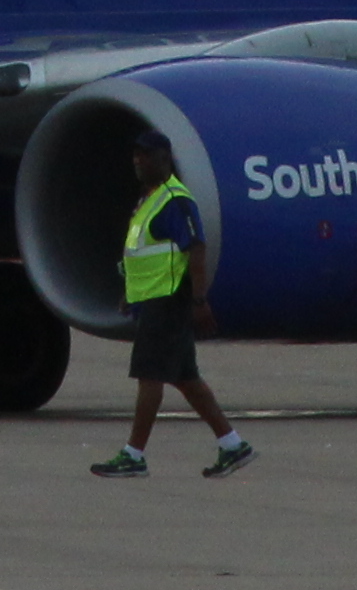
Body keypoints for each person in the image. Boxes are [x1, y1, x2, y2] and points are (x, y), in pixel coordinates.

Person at [91, 129, 253, 480]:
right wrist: (130, 294)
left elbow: (195, 248)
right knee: (186, 378)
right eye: (136, 154)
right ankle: (232, 444)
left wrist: (198, 300)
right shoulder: (149, 199)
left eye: (146, 155)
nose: (138, 160)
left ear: (164, 159)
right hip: (152, 298)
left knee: (149, 376)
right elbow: (144, 254)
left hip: (167, 302)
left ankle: (134, 454)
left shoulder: (174, 200)